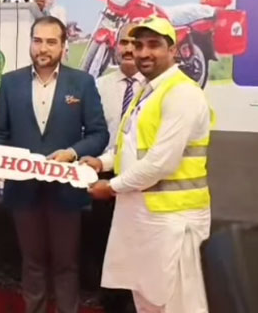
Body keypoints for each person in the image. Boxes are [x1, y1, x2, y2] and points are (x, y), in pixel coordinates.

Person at [82, 16, 213, 313]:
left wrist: (110, 187)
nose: (143, 52)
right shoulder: (147, 90)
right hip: (142, 216)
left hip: (174, 221)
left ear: (173, 50)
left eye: (154, 45)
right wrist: (100, 162)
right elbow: (128, 147)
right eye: (138, 45)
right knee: (147, 300)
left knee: (179, 305)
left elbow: (160, 163)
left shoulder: (183, 93)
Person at [0, 16, 108, 313]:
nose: (43, 48)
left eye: (51, 42)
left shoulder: (82, 82)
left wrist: (71, 152)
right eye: (37, 40)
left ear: (63, 46)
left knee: (66, 263)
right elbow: (0, 133)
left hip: (66, 191)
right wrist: (3, 162)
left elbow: (99, 134)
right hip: (23, 189)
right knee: (32, 262)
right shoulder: (10, 82)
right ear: (31, 42)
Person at [92, 22, 145, 313]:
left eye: (135, 43)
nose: (128, 49)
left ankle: (136, 301)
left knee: (137, 240)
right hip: (105, 171)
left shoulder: (154, 88)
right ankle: (109, 300)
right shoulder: (99, 86)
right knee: (105, 239)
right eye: (124, 42)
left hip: (142, 176)